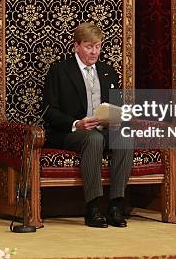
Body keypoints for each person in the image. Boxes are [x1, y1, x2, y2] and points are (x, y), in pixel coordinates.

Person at [43, 22, 133, 228]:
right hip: (71, 132)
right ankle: (92, 207)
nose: (94, 52)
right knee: (93, 139)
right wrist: (77, 123)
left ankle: (116, 206)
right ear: (76, 46)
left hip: (104, 128)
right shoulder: (59, 70)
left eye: (98, 46)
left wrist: (117, 118)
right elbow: (48, 111)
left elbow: (116, 105)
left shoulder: (108, 71)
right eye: (88, 46)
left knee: (125, 137)